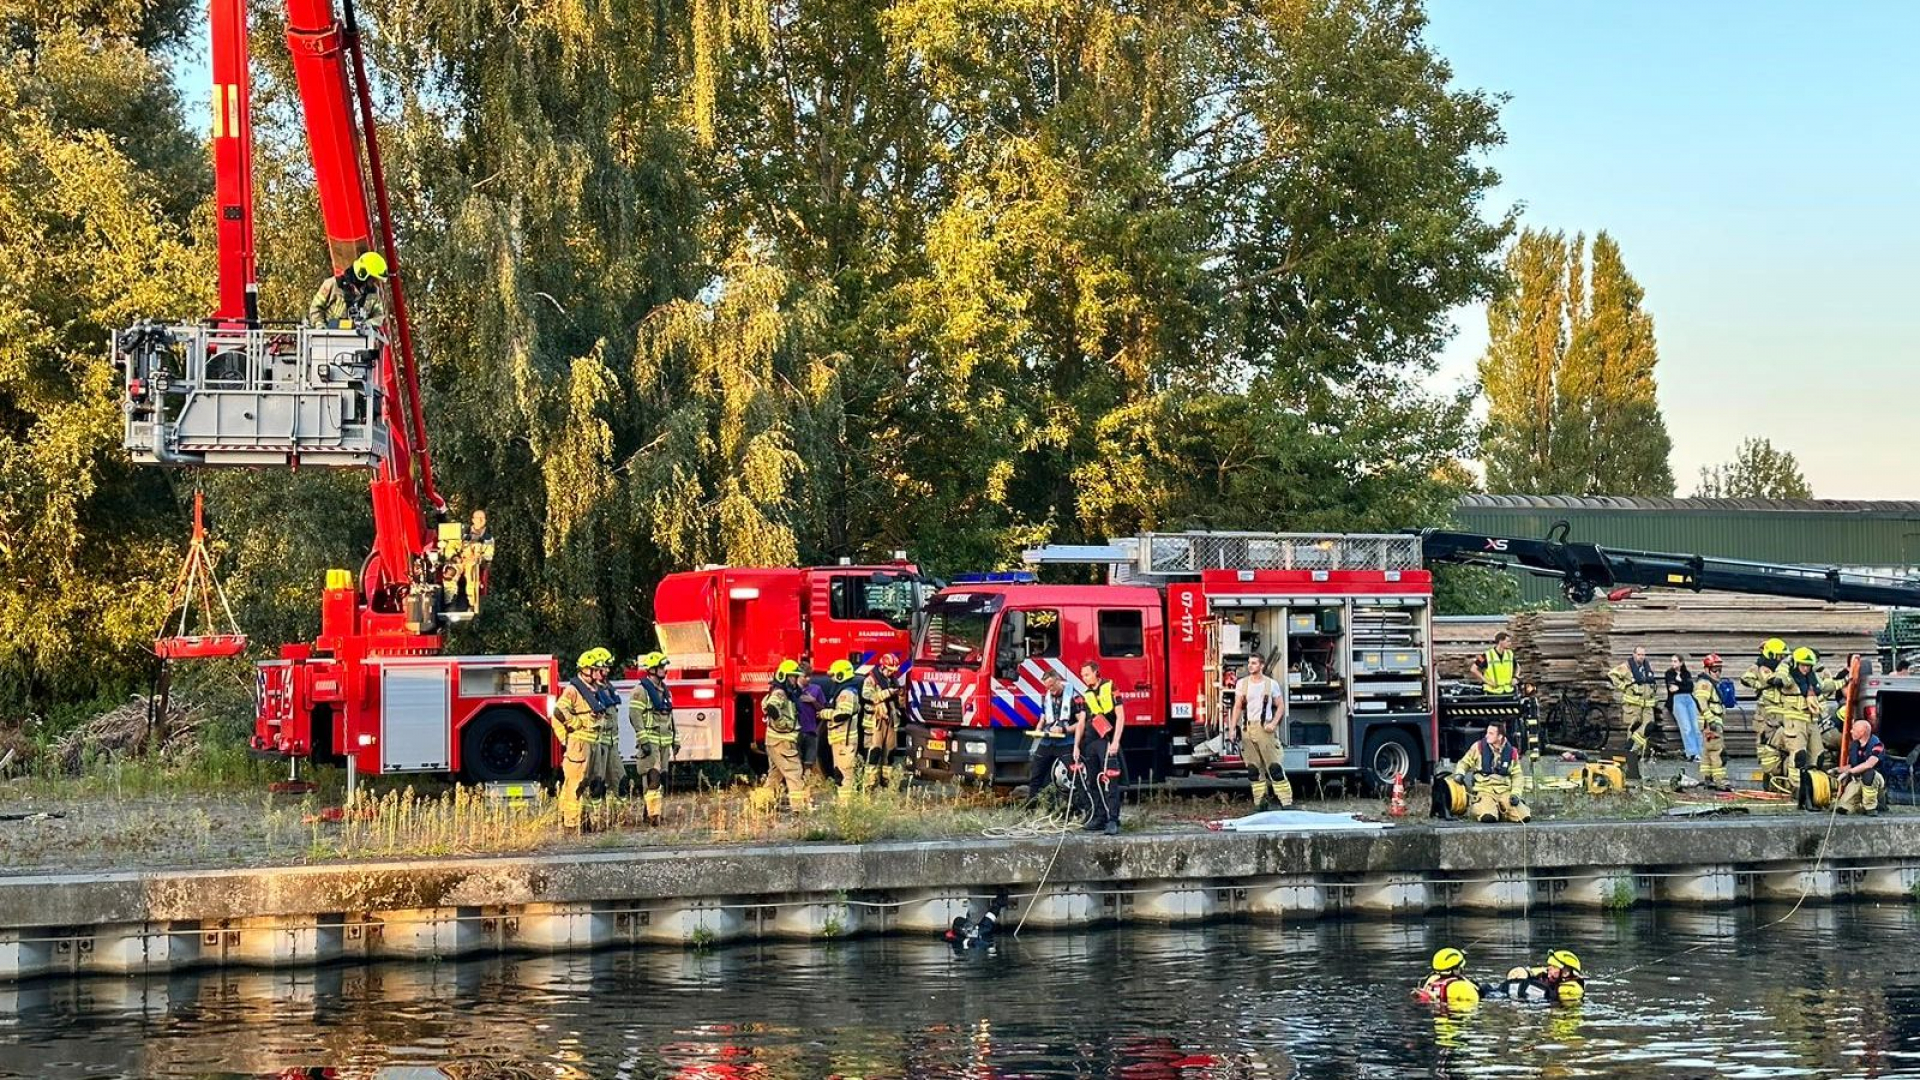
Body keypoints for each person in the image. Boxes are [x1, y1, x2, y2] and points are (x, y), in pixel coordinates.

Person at [550, 648, 620, 831]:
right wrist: (575, 725)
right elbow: (558, 711)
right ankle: (571, 824)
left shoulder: (596, 689)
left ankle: (585, 821)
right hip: (579, 745)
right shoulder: (573, 690)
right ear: (586, 670)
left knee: (592, 783)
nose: (601, 672)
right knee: (575, 783)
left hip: (594, 743)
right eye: (596, 669)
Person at [1771, 647, 1842, 795]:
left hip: (1812, 721)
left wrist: (1847, 680)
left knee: (1818, 756)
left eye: (1808, 665)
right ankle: (1797, 789)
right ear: (1796, 664)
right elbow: (1780, 679)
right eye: (1802, 665)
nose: (1805, 668)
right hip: (1795, 722)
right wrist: (1785, 663)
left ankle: (1812, 787)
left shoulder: (1812, 679)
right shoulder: (1790, 678)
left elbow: (1825, 686)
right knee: (1798, 756)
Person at [1228, 654, 1292, 810]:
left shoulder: (1271, 685)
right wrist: (1231, 728)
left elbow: (1281, 706)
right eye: (1249, 663)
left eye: (1254, 663)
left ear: (1261, 666)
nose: (1250, 666)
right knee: (1253, 770)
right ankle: (1261, 803)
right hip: (1247, 729)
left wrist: (1273, 724)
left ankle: (1286, 802)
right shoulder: (1242, 684)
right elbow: (1237, 706)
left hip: (1265, 730)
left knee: (1274, 768)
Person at [1074, 660, 1125, 836]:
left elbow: (1120, 716)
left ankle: (1113, 820)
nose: (1084, 677)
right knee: (1092, 782)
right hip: (1089, 742)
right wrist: (1076, 746)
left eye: (1087, 674)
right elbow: (1081, 722)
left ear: (1096, 672)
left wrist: (1116, 741)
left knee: (1109, 780)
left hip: (1107, 739)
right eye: (1082, 675)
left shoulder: (1110, 687)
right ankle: (1100, 817)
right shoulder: (1085, 694)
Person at [631, 651, 677, 825]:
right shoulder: (641, 691)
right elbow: (634, 716)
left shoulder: (665, 690)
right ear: (652, 669)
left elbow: (671, 716)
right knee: (653, 777)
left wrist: (675, 739)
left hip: (664, 742)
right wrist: (643, 740)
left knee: (661, 779)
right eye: (661, 667)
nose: (664, 670)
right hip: (650, 740)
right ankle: (653, 817)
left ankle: (648, 811)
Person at [1452, 721, 1531, 823]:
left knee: (1523, 816)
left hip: (1504, 791)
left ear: (1500, 736)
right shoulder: (1478, 747)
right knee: (1488, 816)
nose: (1487, 736)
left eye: (1491, 733)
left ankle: (1502, 810)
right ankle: (1490, 810)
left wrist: (1515, 794)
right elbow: (1464, 762)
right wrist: (1460, 773)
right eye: (1487, 732)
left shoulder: (1511, 752)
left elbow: (1517, 776)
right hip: (1485, 790)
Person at [760, 659, 812, 811]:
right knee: (794, 773)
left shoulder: (782, 692)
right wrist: (782, 723)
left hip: (776, 742)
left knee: (774, 776)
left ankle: (761, 805)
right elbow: (770, 707)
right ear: (784, 676)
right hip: (782, 742)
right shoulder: (780, 693)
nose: (795, 680)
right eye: (792, 677)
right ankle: (799, 810)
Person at [1742, 638, 1792, 788]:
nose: (1782, 659)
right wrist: (1761, 686)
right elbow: (1746, 678)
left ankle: (1784, 783)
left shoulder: (1785, 669)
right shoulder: (1760, 667)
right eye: (1779, 656)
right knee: (1767, 751)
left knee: (1786, 748)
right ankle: (1770, 782)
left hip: (1783, 714)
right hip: (1765, 715)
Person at [1024, 669, 1076, 809]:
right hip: (1047, 741)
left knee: (1073, 775)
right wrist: (1038, 730)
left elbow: (1081, 723)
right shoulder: (1046, 697)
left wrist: (1064, 729)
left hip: (1065, 742)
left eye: (1052, 686)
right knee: (1036, 774)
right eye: (1047, 687)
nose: (1050, 690)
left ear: (1059, 681)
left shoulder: (1073, 697)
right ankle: (1031, 808)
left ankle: (1077, 808)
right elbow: (1043, 717)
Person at [1608, 646, 1661, 771]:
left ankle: (1634, 749)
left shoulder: (1647, 667)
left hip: (1647, 705)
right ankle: (1631, 756)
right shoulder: (1626, 667)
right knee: (1634, 727)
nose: (1641, 657)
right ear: (1634, 654)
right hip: (1633, 705)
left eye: (1643, 655)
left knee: (1649, 727)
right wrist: (1624, 686)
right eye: (1639, 654)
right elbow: (1612, 674)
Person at [306, 251, 389, 329]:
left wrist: (366, 325)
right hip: (328, 338)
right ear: (362, 273)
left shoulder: (373, 293)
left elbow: (379, 316)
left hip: (358, 341)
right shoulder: (333, 284)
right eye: (373, 279)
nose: (374, 282)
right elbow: (316, 307)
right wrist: (320, 325)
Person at [861, 652, 905, 776]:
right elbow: (867, 696)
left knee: (890, 753)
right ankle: (870, 786)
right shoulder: (871, 679)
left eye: (893, 671)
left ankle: (886, 783)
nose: (891, 673)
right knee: (874, 754)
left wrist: (900, 696)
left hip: (890, 721)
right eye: (889, 670)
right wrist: (887, 693)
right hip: (875, 722)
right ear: (882, 667)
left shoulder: (892, 680)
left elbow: (898, 704)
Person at [823, 659, 864, 790]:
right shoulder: (843, 691)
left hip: (844, 742)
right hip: (840, 741)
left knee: (844, 775)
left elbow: (843, 714)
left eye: (834, 675)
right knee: (840, 774)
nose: (833, 679)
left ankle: (845, 806)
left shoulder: (847, 693)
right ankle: (843, 803)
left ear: (841, 675)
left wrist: (825, 714)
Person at [1692, 654, 1731, 789]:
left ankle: (1706, 778)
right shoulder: (1704, 684)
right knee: (1716, 751)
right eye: (1715, 670)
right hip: (1711, 724)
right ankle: (1721, 781)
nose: (1718, 673)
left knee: (1707, 752)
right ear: (1707, 669)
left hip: (1713, 722)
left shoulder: (1711, 683)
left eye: (1720, 670)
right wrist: (1711, 720)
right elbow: (1701, 703)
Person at [1835, 718, 1887, 814]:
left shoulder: (1878, 745)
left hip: (1874, 780)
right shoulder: (1855, 745)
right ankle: (1857, 806)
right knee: (1843, 807)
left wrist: (1850, 772)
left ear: (1862, 731)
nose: (1851, 731)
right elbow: (1853, 765)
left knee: (1869, 774)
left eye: (1854, 729)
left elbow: (1869, 764)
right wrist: (1838, 770)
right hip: (1857, 779)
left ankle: (1871, 807)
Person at [1503, 950, 1586, 1003]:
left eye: (1553, 967)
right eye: (1549, 966)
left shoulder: (1572, 988)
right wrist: (1523, 973)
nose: (1549, 969)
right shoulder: (1547, 975)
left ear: (1565, 972)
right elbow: (1523, 972)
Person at [1415, 947, 1481, 1008]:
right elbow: (1474, 1005)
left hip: (1438, 1013)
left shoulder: (1431, 979)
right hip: (1455, 1015)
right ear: (1457, 969)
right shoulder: (1461, 987)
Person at [1666, 654, 1701, 762]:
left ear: (1681, 662)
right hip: (1677, 700)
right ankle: (1691, 753)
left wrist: (1679, 684)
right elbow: (1672, 689)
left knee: (1696, 726)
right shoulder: (1669, 673)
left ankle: (1701, 752)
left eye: (1675, 661)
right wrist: (1682, 685)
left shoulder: (1686, 673)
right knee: (1686, 727)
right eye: (1672, 661)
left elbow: (1690, 688)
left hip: (1689, 699)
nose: (1673, 663)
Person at [458, 509, 492, 613]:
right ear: (473, 520)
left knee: (472, 579)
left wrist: (480, 558)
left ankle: (471, 603)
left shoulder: (488, 537)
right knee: (450, 573)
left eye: (483, 518)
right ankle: (449, 600)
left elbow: (488, 555)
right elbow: (459, 547)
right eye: (478, 518)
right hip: (461, 561)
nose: (481, 520)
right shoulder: (465, 533)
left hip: (474, 564)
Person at [798, 673, 827, 778]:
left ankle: (807, 784)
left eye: (809, 676)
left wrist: (813, 701)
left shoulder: (816, 689)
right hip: (796, 732)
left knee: (809, 762)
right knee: (795, 762)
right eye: (805, 676)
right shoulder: (791, 690)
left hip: (811, 731)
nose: (808, 679)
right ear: (798, 677)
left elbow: (822, 709)